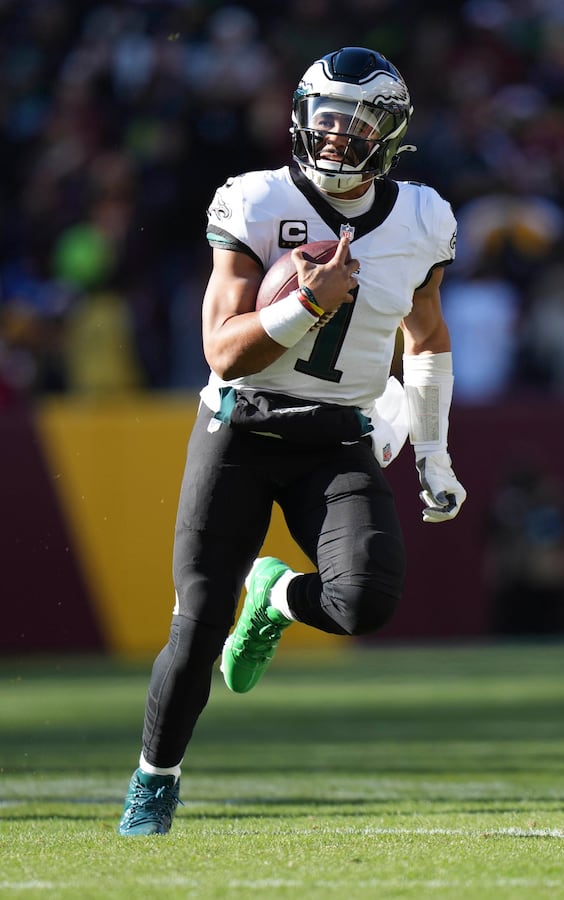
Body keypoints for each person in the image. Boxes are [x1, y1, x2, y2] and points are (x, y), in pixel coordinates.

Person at [117, 46, 466, 836]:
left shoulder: (423, 217)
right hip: (241, 427)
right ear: (303, 115)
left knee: (365, 600)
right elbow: (224, 350)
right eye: (329, 115)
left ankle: (273, 595)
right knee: (200, 619)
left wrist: (435, 453)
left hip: (338, 436)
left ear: (393, 133)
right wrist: (307, 304)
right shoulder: (255, 199)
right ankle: (155, 781)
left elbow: (427, 334)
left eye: (360, 120)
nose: (340, 134)